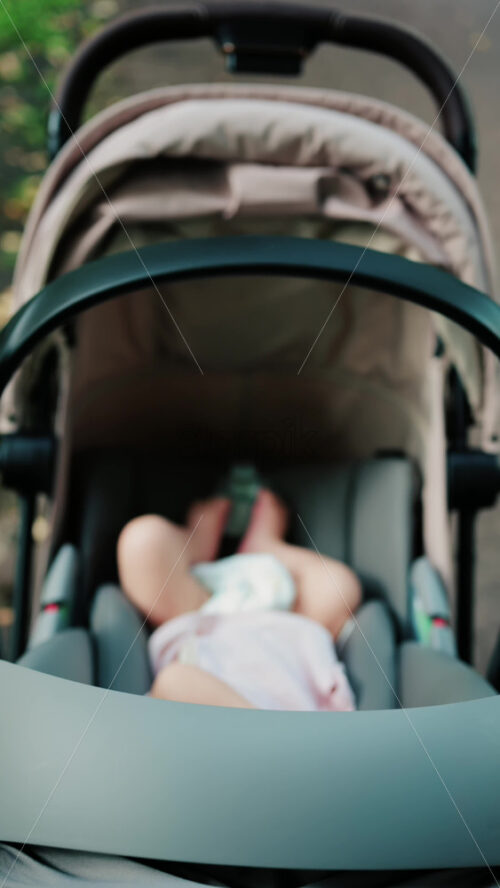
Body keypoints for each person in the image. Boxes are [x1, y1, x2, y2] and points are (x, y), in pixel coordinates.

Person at [117, 489, 361, 711]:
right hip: (276, 693)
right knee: (338, 587)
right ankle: (260, 546)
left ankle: (253, 545)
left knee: (143, 542)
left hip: (210, 632)